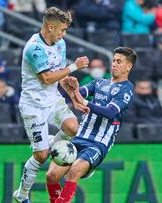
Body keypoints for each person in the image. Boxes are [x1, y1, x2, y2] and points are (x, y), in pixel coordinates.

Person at [13, 7, 89, 203]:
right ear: (50, 26)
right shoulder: (34, 48)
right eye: (62, 30)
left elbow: (59, 74)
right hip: (33, 105)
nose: (64, 34)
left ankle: (52, 147)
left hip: (53, 99)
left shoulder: (60, 44)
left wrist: (73, 95)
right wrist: (74, 67)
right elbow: (46, 78)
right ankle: (21, 194)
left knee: (73, 127)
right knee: (40, 156)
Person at [45, 47, 136, 203]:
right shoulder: (100, 82)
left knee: (74, 171)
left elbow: (109, 112)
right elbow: (79, 93)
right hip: (79, 137)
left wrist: (84, 101)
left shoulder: (127, 89)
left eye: (119, 61)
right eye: (113, 60)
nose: (114, 64)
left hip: (98, 143)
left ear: (129, 67)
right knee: (51, 176)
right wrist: (71, 84)